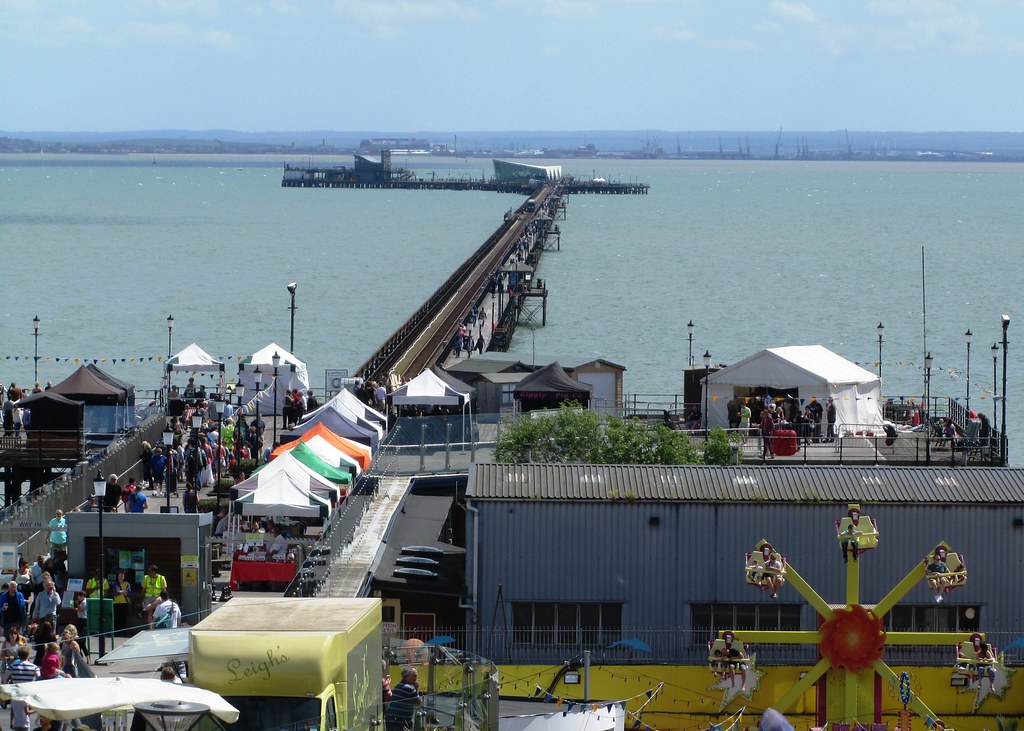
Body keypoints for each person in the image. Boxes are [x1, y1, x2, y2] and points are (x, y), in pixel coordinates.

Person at [4, 646, 39, 731]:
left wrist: (7, 688)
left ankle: (13, 725)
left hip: (16, 693)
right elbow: (38, 677)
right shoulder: (34, 667)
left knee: (16, 712)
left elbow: (4, 678)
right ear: (28, 655)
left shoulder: (12, 666)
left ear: (19, 655)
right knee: (26, 714)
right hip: (27, 693)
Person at [385, 666, 421, 731]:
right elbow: (419, 702)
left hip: (390, 719)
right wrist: (416, 688)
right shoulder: (409, 688)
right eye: (414, 676)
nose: (416, 678)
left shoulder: (398, 686)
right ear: (408, 676)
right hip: (401, 722)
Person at [111, 570, 133, 635]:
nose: (121, 577)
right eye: (120, 576)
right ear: (117, 577)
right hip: (116, 603)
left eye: (122, 576)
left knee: (123, 618)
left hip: (124, 603)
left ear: (124, 577)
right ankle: (116, 632)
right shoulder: (115, 584)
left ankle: (122, 632)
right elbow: (115, 593)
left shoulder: (127, 583)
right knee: (116, 618)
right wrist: (122, 591)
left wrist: (120, 591)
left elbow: (129, 593)